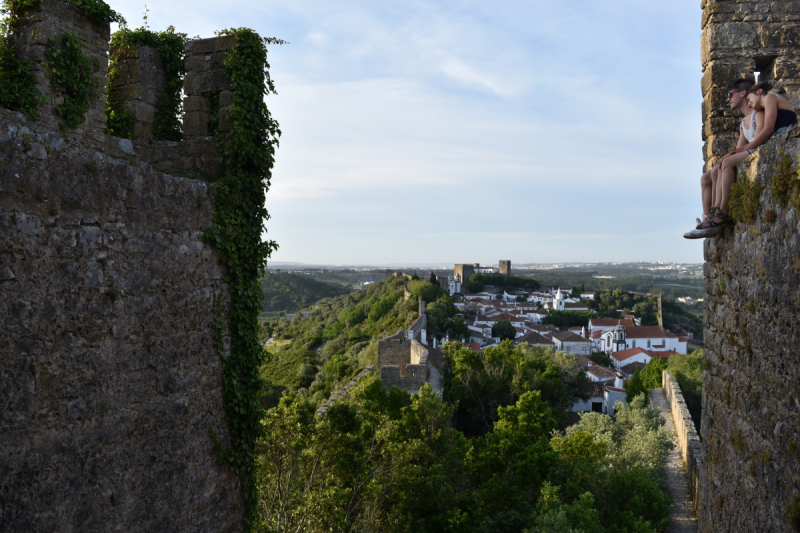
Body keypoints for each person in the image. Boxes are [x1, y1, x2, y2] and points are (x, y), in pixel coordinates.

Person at [700, 81, 797, 233]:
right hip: (776, 137)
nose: (750, 104)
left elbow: (769, 128)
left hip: (780, 136)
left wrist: (746, 148)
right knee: (722, 164)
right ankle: (715, 211)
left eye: (750, 100)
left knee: (726, 163)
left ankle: (722, 212)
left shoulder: (770, 97)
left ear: (759, 92)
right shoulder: (763, 105)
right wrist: (737, 151)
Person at [684, 79, 757, 239]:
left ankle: (720, 213)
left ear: (743, 93)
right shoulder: (743, 122)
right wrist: (727, 156)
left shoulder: (758, 115)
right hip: (747, 151)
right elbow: (738, 148)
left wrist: (728, 158)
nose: (728, 98)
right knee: (706, 177)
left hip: (755, 151)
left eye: (730, 94)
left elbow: (756, 141)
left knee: (725, 163)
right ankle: (709, 216)